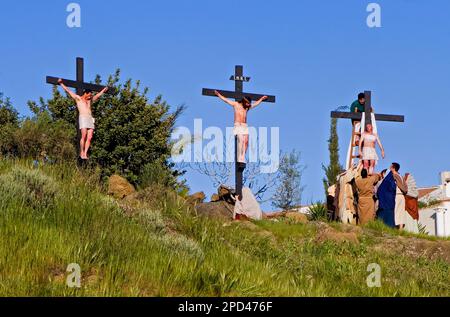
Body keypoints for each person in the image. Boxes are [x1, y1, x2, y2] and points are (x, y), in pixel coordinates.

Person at [58, 79, 108, 159]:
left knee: (90, 137)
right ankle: (81, 152)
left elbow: (97, 96)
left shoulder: (90, 101)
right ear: (85, 93)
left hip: (90, 118)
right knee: (84, 135)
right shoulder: (79, 99)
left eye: (91, 96)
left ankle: (85, 153)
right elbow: (68, 91)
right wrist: (61, 83)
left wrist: (103, 90)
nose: (90, 97)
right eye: (89, 95)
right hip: (83, 118)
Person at [214, 90, 268, 163]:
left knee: (246, 141)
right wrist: (218, 95)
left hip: (244, 126)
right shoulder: (236, 104)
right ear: (244, 101)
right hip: (237, 125)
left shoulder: (247, 108)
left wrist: (261, 99)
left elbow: (255, 104)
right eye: (247, 103)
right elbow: (226, 100)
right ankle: (239, 157)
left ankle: (242, 156)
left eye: (249, 104)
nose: (249, 105)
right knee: (240, 140)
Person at [390, 163, 409, 230]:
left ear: (393, 168)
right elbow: (405, 186)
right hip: (402, 196)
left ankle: (396, 227)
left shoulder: (394, 176)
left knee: (396, 211)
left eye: (391, 166)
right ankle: (400, 228)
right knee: (401, 212)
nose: (390, 168)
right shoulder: (400, 176)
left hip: (397, 195)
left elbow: (399, 185)